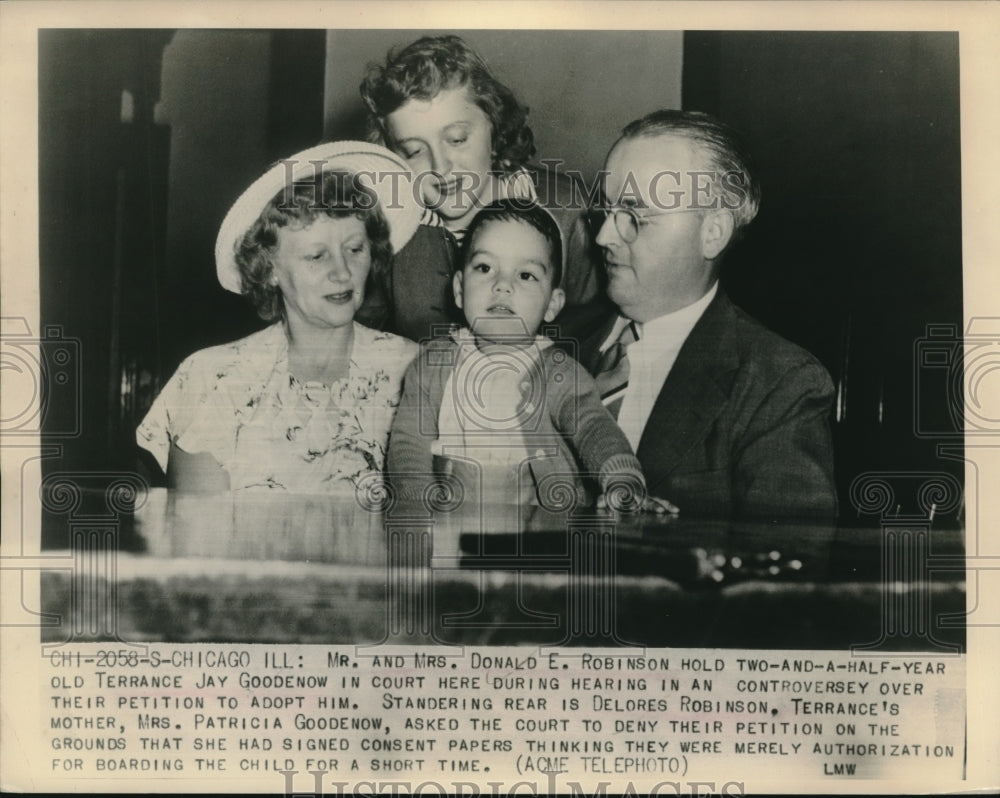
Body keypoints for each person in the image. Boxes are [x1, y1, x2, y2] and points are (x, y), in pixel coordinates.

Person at [578, 110, 837, 520]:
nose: (604, 236)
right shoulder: (549, 344)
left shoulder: (778, 385)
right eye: (606, 210)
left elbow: (788, 565)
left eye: (634, 216)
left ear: (712, 232)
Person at [137, 142, 423, 495]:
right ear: (269, 268)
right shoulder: (212, 378)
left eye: (354, 249)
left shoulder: (414, 369)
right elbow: (199, 540)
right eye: (317, 256)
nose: (342, 272)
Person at [387, 199, 675, 513]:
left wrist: (622, 480)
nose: (502, 285)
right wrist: (414, 502)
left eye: (526, 275)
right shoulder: (432, 365)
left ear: (553, 303)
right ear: (459, 288)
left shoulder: (558, 372)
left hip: (541, 526)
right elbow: (408, 443)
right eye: (484, 268)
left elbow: (594, 427)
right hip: (448, 527)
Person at [357, 34, 605, 342]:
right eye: (413, 151)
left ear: (495, 124)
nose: (440, 166)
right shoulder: (389, 229)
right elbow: (363, 336)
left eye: (457, 139)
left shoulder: (570, 209)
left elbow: (601, 331)